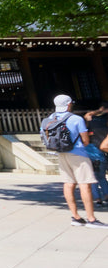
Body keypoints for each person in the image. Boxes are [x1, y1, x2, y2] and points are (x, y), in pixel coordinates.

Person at [42, 95, 105, 228]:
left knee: (68, 183)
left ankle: (75, 216)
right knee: (85, 184)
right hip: (78, 154)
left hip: (61, 154)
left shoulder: (48, 119)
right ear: (69, 104)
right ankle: (91, 219)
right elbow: (85, 140)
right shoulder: (76, 119)